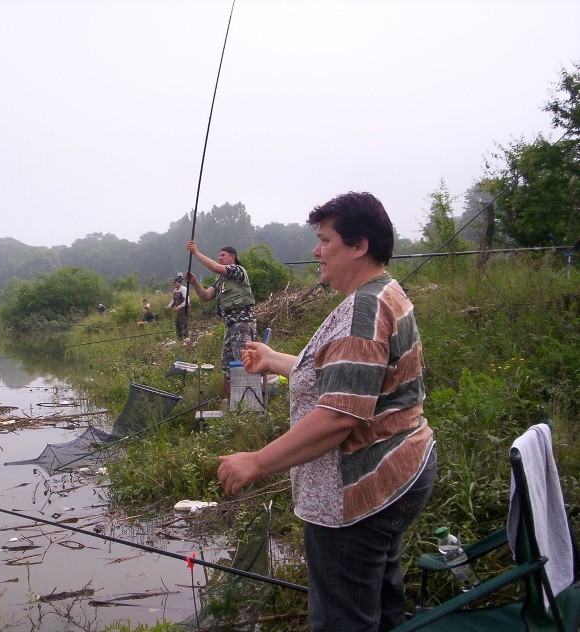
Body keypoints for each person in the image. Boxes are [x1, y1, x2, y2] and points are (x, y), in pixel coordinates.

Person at [217, 192, 436, 631]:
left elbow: (338, 417)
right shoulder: (384, 293)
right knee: (379, 598)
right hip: (398, 473)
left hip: (359, 494)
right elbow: (350, 378)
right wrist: (277, 359)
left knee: (344, 618)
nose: (316, 251)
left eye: (325, 240)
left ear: (358, 246)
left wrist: (256, 462)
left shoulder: (363, 311)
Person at [185, 242, 256, 394]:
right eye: (219, 256)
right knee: (227, 363)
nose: (220, 258)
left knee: (244, 361)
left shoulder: (237, 270)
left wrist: (196, 253)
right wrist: (194, 283)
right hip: (230, 326)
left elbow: (215, 268)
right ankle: (233, 398)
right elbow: (206, 296)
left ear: (233, 257)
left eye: (223, 255)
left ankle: (250, 400)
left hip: (242, 323)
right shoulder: (221, 280)